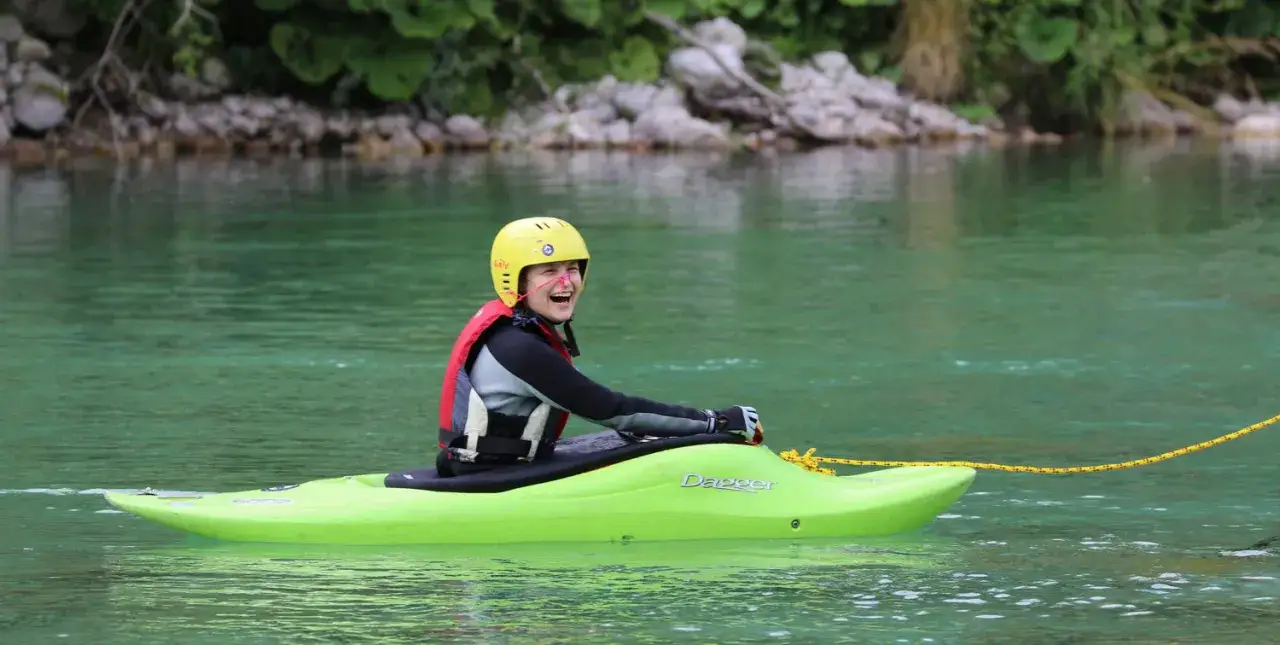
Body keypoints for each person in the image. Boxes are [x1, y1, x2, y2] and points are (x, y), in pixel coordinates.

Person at [435, 216, 763, 477]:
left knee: (640, 441)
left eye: (572, 269)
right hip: (492, 475)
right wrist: (716, 421)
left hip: (490, 464)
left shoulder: (515, 330)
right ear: (517, 281)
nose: (566, 282)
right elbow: (612, 410)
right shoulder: (518, 348)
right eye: (550, 271)